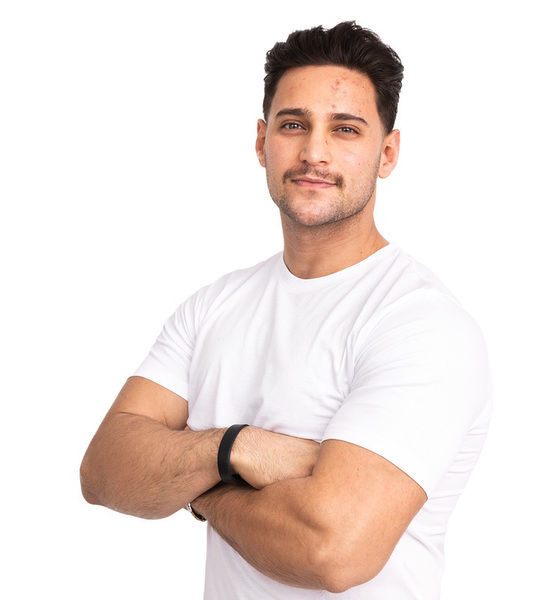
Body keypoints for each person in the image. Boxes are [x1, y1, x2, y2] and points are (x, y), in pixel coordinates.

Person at [80, 21, 492, 599]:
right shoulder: (212, 307)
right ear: (261, 141)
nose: (314, 152)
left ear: (387, 153)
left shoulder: (421, 325)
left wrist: (197, 482)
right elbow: (103, 471)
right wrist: (238, 448)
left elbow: (332, 551)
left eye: (345, 129)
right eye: (293, 124)